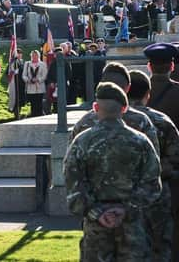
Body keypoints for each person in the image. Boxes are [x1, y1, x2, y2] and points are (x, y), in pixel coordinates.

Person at [64, 82, 161, 261]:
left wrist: (97, 212)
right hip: (132, 227)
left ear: (95, 107)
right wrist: (125, 209)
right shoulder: (141, 142)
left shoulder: (81, 142)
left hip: (96, 230)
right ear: (124, 108)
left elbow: (73, 186)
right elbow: (152, 184)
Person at [128, 70, 179, 261]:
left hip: (119, 198)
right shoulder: (161, 121)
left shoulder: (105, 120)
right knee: (160, 249)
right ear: (148, 94)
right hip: (157, 196)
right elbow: (176, 157)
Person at [68, 62, 160, 156]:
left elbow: (71, 164)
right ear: (128, 88)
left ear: (101, 86)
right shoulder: (142, 121)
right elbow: (153, 162)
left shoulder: (84, 123)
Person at [143, 42, 179, 259]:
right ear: (171, 66)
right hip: (172, 172)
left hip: (140, 174)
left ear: (149, 66)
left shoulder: (134, 93)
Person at [22, 50, 47, 118]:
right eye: (33, 55)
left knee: (39, 103)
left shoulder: (42, 64)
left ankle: (40, 116)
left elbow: (44, 75)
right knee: (33, 103)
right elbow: (24, 75)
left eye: (36, 55)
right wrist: (28, 80)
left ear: (38, 56)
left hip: (39, 87)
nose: (34, 57)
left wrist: (38, 79)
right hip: (30, 87)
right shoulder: (27, 64)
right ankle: (33, 115)